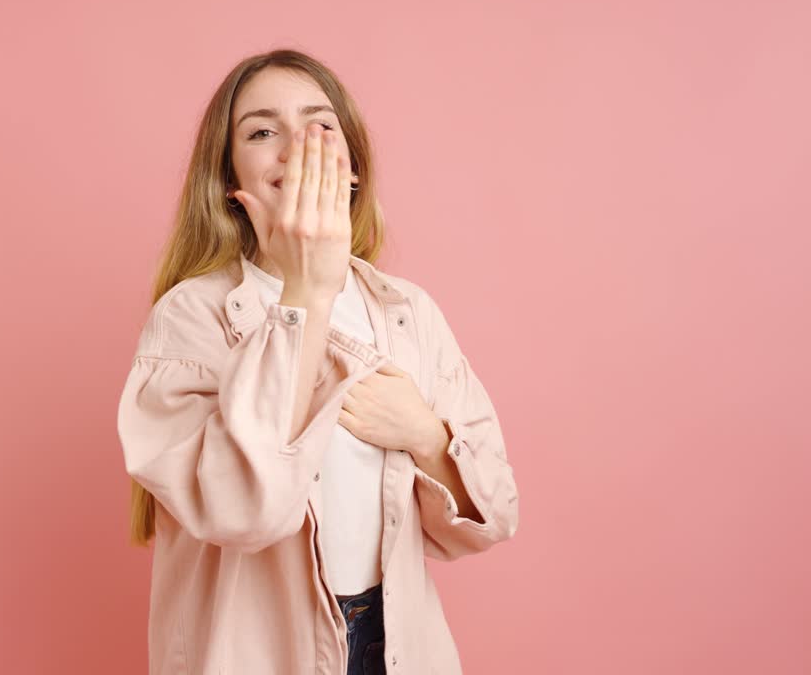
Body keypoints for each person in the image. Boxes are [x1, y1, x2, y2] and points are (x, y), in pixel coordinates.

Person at [116, 48, 519, 675]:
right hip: (260, 653)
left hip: (397, 645)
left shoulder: (407, 311)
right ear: (229, 182)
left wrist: (422, 433)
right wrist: (306, 292)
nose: (296, 146)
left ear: (352, 166)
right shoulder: (190, 318)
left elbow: (493, 517)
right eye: (261, 131)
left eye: (319, 125)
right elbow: (243, 511)